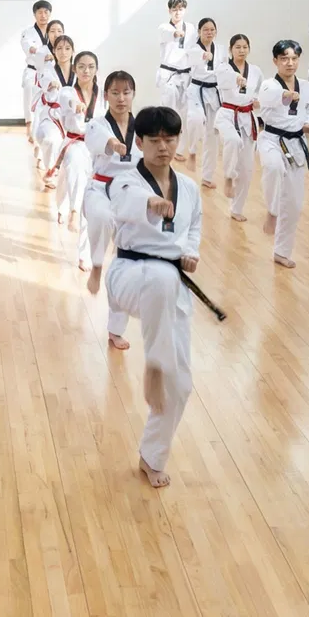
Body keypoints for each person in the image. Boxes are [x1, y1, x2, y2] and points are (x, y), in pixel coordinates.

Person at [104, 105, 204, 489]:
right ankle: (155, 362)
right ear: (140, 142)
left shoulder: (190, 188)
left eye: (170, 139)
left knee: (181, 386)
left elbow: (193, 229)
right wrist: (152, 203)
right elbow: (126, 202)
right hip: (130, 276)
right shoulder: (128, 181)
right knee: (162, 277)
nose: (164, 147)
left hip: (169, 285)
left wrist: (190, 253)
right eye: (155, 140)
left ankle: (152, 455)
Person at [259, 40, 309, 268]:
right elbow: (277, 98)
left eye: (294, 58)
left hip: (296, 143)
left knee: (294, 203)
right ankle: (272, 211)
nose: (290, 63)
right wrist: (288, 95)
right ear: (275, 60)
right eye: (284, 58)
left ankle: (281, 251)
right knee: (273, 167)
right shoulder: (268, 85)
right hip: (272, 140)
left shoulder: (306, 86)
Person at [83, 71, 142, 301]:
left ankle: (117, 324)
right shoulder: (97, 124)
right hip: (100, 188)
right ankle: (97, 265)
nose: (121, 98)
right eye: (115, 93)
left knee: (130, 249)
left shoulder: (142, 127)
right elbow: (98, 138)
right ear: (106, 95)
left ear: (133, 94)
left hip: (131, 191)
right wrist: (113, 143)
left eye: (126, 93)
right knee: (101, 217)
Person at [47, 50, 101, 232]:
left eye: (91, 67)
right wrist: (76, 105)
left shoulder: (102, 94)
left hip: (95, 144)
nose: (86, 70)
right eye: (81, 67)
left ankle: (70, 208)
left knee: (69, 179)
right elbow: (67, 100)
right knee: (74, 167)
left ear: (96, 70)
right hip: (74, 142)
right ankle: (74, 211)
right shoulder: (67, 91)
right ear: (74, 69)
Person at [214, 34, 264, 220]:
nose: (241, 50)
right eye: (237, 47)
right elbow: (224, 78)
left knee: (247, 168)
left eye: (244, 47)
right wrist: (237, 77)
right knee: (232, 140)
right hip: (227, 115)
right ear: (230, 50)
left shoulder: (256, 71)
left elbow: (258, 91)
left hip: (247, 117)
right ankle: (228, 177)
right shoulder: (223, 68)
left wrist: (257, 101)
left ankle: (236, 209)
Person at [34, 35, 78, 184]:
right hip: (53, 116)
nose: (63, 52)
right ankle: (51, 169)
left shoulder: (78, 72)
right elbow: (44, 79)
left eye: (67, 48)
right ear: (53, 51)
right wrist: (52, 83)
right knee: (50, 139)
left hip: (74, 118)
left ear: (73, 51)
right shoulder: (49, 70)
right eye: (59, 48)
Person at [183, 18, 221, 178]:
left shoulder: (220, 49)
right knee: (195, 119)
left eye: (212, 29)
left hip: (214, 91)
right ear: (199, 32)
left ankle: (207, 176)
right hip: (197, 89)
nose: (209, 32)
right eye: (205, 29)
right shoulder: (193, 49)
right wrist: (204, 55)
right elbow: (195, 57)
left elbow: (224, 67)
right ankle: (192, 151)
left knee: (213, 134)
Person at [156, 0, 193, 116]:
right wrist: (175, 33)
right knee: (168, 108)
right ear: (169, 11)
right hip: (169, 75)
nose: (177, 12)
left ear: (185, 10)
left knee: (185, 110)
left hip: (186, 74)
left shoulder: (191, 28)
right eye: (174, 9)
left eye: (180, 9)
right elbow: (168, 34)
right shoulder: (164, 27)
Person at [19, 0, 55, 118]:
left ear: (50, 14)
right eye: (40, 12)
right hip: (33, 71)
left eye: (46, 12)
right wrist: (41, 54)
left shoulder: (54, 31)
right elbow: (28, 47)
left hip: (50, 71)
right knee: (30, 99)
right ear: (34, 15)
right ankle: (30, 128)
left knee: (52, 98)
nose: (43, 15)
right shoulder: (28, 32)